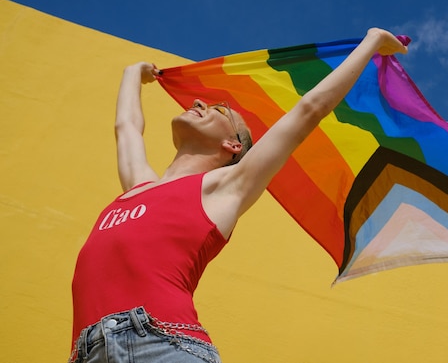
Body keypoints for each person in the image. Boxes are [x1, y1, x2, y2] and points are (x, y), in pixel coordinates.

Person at [69, 28, 408, 363]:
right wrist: (133, 73)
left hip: (163, 345)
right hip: (88, 352)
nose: (200, 102)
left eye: (218, 110)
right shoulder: (139, 185)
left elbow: (309, 110)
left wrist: (372, 43)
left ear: (231, 145)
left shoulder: (227, 188)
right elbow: (126, 128)